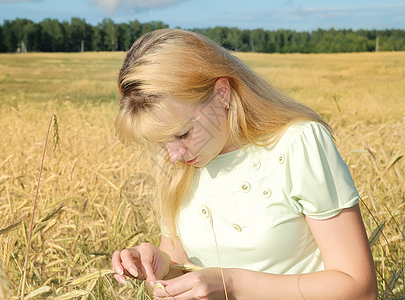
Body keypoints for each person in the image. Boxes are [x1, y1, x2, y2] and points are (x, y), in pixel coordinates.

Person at [111, 29, 377, 299]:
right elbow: (187, 275)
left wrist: (232, 285)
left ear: (222, 93)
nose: (173, 155)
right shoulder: (179, 164)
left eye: (182, 134)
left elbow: (359, 288)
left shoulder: (298, 144)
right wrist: (162, 267)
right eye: (161, 142)